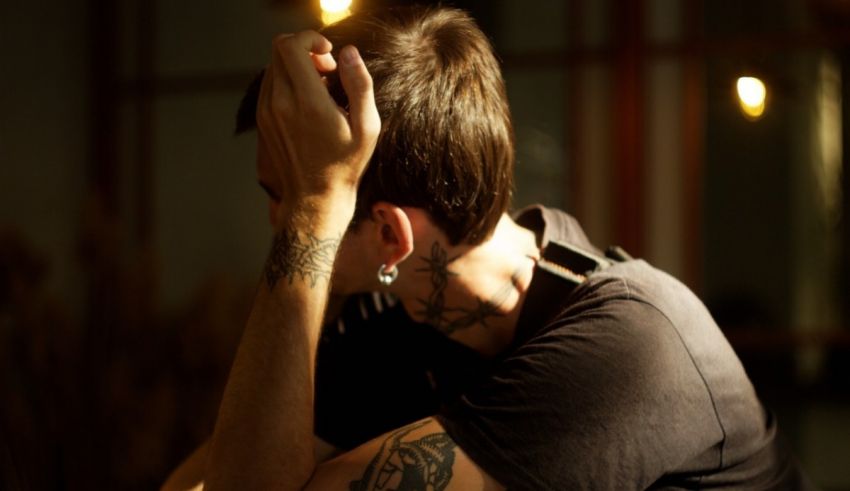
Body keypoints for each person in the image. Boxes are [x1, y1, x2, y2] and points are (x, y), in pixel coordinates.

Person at [162, 5, 811, 490]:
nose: (278, 220)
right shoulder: (393, 322)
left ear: (390, 235)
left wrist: (312, 208)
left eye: (291, 193)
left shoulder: (629, 345)